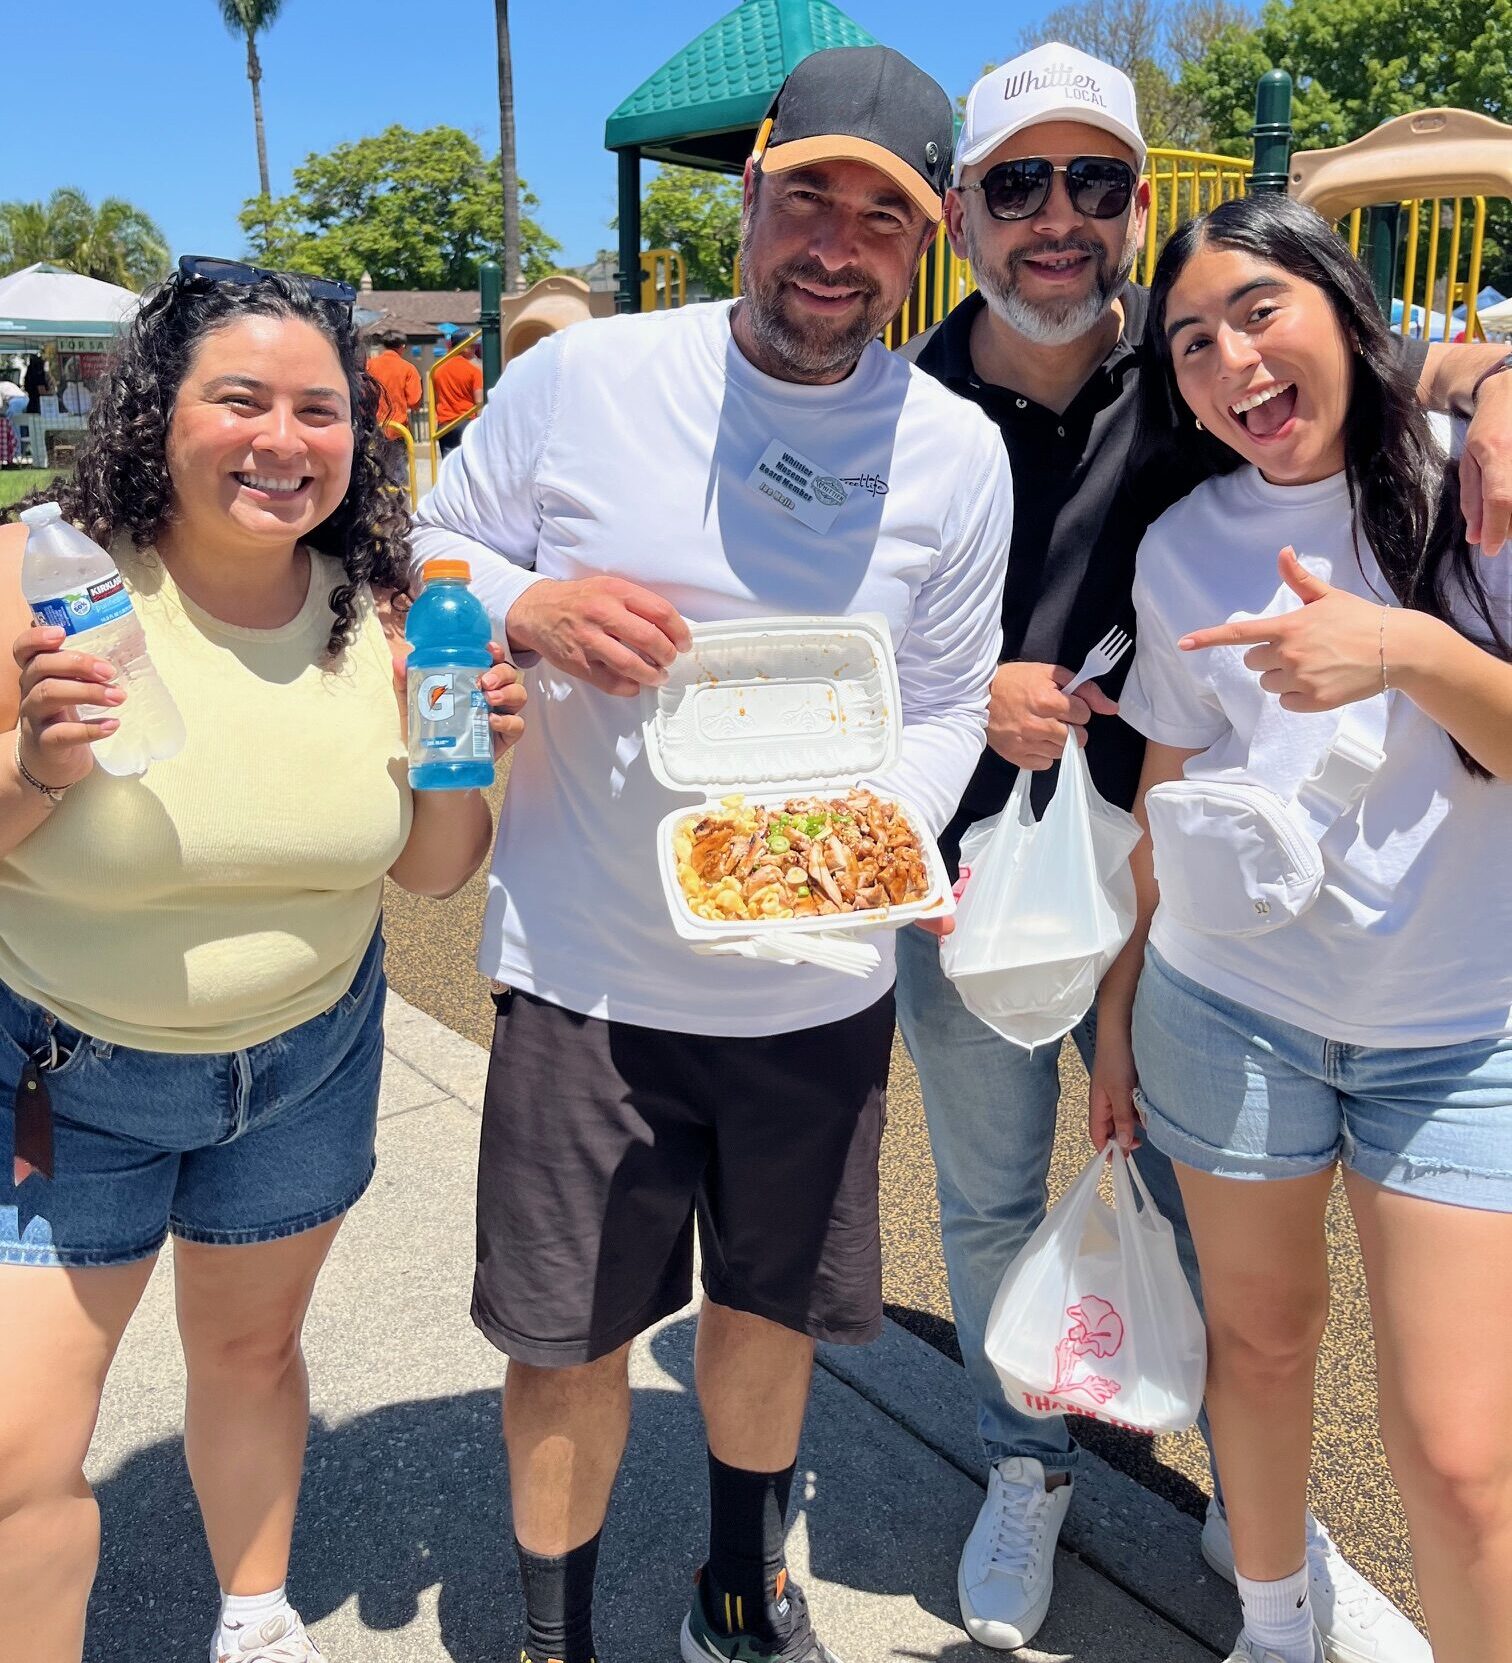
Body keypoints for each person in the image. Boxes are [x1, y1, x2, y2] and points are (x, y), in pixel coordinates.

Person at [897, 38, 1512, 1659]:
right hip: (1014, 897)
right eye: (1019, 180)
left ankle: (1274, 1543)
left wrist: (1486, 386)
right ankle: (1077, 1493)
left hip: (1323, 960)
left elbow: (1390, 409)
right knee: (1022, 1219)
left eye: (1093, 181)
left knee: (1384, 1399)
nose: (1056, 216)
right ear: (966, 207)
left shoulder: (1282, 436)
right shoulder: (900, 412)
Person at [412, 43, 1012, 1663]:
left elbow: (949, 694)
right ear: (744, 198)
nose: (832, 239)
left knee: (769, 1312)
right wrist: (524, 603)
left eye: (874, 214)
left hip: (810, 973)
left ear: (924, 236)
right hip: (586, 967)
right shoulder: (586, 381)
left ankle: (741, 1587)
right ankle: (558, 1633)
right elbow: (419, 540)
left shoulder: (953, 451)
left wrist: (872, 835)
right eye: (802, 193)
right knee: (564, 1339)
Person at [0, 256, 527, 1663]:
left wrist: (472, 756)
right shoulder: (43, 574)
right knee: (17, 1452)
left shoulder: (392, 604)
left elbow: (426, 868)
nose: (283, 440)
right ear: (159, 409)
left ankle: (255, 1611)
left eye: (319, 407)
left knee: (245, 1354)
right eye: (241, 399)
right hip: (66, 1077)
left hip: (304, 1062)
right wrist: (38, 764)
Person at [1093, 190, 1512, 1663]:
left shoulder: (1484, 485)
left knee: (1464, 1458)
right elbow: (1167, 783)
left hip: (1460, 1030)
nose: (1231, 364)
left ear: (1343, 303)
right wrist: (1118, 1003)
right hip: (1230, 1005)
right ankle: (1273, 1626)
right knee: (1259, 1348)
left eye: (1258, 313)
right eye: (1191, 343)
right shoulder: (1184, 541)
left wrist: (1399, 645)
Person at [366, 328, 422, 482]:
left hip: (373, 428)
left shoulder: (369, 366)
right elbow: (414, 401)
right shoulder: (408, 368)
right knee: (398, 472)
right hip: (399, 429)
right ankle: (398, 503)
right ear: (402, 346)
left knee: (377, 470)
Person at [431, 332, 483, 456]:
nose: (475, 349)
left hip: (445, 425)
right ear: (463, 347)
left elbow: (436, 399)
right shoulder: (474, 371)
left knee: (449, 462)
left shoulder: (437, 369)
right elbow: (479, 401)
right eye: (472, 346)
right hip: (466, 422)